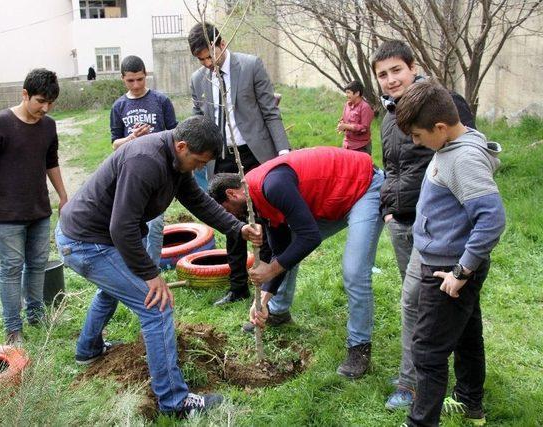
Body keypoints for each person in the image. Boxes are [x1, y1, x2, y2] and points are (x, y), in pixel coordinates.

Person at [55, 116, 262, 416]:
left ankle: (88, 350)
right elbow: (122, 227)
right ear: (182, 146)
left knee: (114, 289)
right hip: (86, 242)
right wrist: (151, 276)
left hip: (94, 236)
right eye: (200, 161)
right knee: (157, 306)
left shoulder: (174, 159)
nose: (201, 168)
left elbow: (198, 201)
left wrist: (237, 228)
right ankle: (174, 402)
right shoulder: (146, 161)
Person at [209, 146, 384, 379]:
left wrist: (271, 269)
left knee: (355, 272)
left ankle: (359, 346)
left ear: (232, 194)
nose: (231, 217)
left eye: (226, 211)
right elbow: (281, 249)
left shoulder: (272, 186)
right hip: (334, 196)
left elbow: (309, 238)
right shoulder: (255, 200)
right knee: (289, 250)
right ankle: (278, 312)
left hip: (363, 186)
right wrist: (263, 299)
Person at [372, 39, 476, 410]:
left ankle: (413, 381)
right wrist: (387, 207)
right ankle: (432, 374)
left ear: (413, 66)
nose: (390, 80)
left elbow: (465, 157)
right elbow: (393, 167)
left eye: (396, 70)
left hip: (435, 227)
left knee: (416, 302)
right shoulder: (388, 113)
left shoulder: (442, 102)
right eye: (383, 75)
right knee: (424, 303)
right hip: (400, 221)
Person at [395, 80, 505, 427]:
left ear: (440, 127)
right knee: (467, 332)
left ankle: (421, 422)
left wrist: (461, 272)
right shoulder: (455, 142)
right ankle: (470, 401)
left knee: (427, 352)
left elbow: (491, 219)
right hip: (449, 263)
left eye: (417, 135)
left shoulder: (463, 158)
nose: (415, 142)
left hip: (446, 270)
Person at [189, 21, 291, 306]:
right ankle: (237, 287)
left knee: (265, 216)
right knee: (229, 220)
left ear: (222, 43)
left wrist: (283, 152)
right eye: (202, 60)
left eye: (211, 56)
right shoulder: (198, 79)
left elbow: (270, 112)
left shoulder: (251, 66)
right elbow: (199, 119)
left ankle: (270, 281)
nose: (208, 63)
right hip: (221, 157)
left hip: (254, 153)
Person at [0, 68, 68, 346]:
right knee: (12, 268)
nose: (45, 108)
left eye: (50, 103)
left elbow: (51, 162)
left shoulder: (48, 126)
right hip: (7, 214)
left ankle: (37, 315)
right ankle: (13, 328)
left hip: (38, 210)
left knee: (38, 264)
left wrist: (63, 195)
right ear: (25, 94)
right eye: (40, 101)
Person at [110, 55, 178, 267]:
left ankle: (153, 269)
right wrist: (132, 138)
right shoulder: (119, 106)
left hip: (159, 172)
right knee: (133, 224)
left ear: (145, 74)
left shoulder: (161, 101)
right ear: (123, 79)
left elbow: (175, 135)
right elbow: (114, 143)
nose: (137, 84)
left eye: (140, 79)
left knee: (156, 225)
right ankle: (137, 271)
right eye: (131, 80)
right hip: (130, 173)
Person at [337, 80, 375, 155]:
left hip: (360, 147)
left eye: (348, 92)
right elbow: (344, 120)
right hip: (347, 145)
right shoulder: (347, 105)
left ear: (357, 93)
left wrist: (346, 126)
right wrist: (342, 125)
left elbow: (364, 128)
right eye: (346, 92)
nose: (346, 95)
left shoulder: (365, 107)